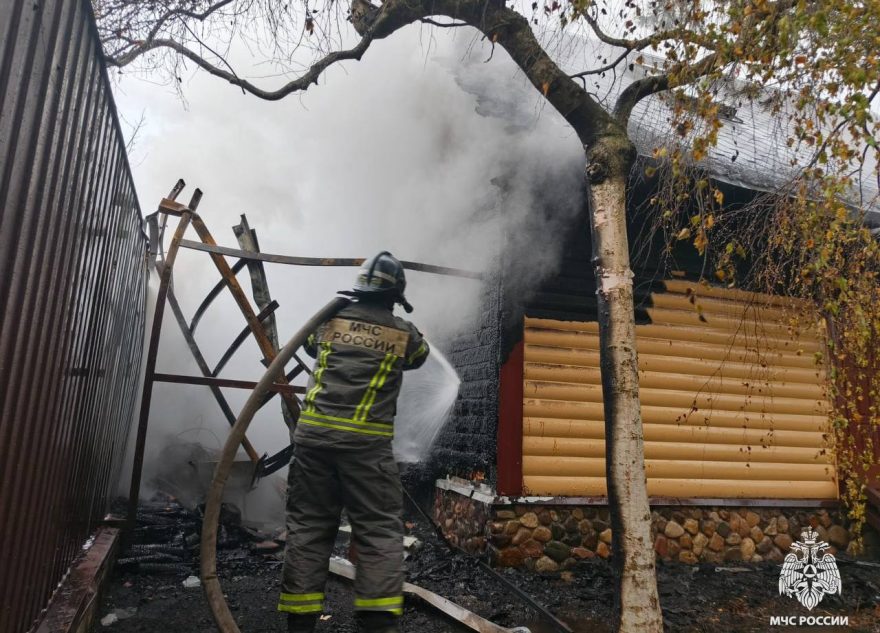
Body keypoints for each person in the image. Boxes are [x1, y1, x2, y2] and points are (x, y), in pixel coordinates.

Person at [278, 251, 430, 633]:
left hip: (312, 442)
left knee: (309, 527)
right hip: (365, 448)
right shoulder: (403, 334)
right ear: (395, 296)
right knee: (378, 531)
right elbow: (420, 357)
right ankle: (377, 625)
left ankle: (300, 624)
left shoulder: (327, 322)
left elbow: (310, 347)